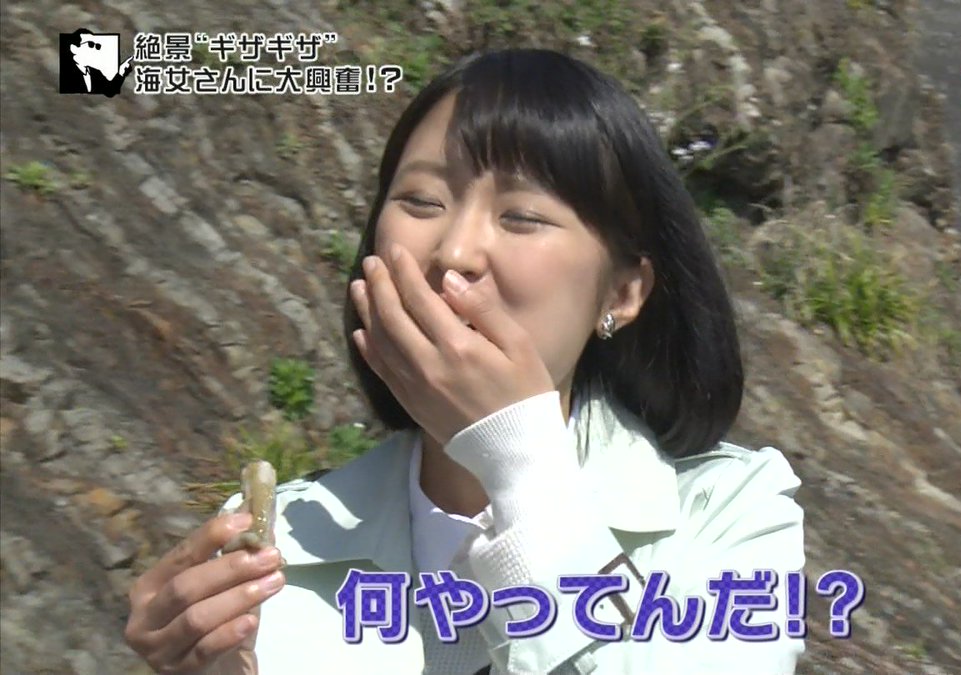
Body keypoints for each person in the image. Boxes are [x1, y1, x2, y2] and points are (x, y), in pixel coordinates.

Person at [124, 47, 806, 674]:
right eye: (421, 201)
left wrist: (519, 459)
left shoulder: (731, 514)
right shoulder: (275, 542)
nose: (453, 252)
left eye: (521, 217)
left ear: (623, 292)